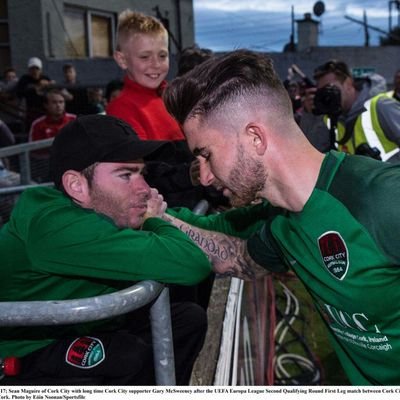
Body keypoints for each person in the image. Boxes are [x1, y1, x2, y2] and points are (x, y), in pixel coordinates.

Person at [163, 49, 400, 385]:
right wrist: (154, 216)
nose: (203, 178)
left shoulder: (382, 198)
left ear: (255, 137)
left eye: (206, 154)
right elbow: (238, 258)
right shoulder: (282, 223)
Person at [0, 114, 260, 385]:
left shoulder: (109, 208)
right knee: (127, 356)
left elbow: (209, 225)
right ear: (77, 185)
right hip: (21, 356)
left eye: (141, 173)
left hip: (73, 329)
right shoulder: (56, 228)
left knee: (185, 320)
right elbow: (191, 263)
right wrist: (156, 220)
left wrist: (277, 201)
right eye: (126, 175)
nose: (145, 189)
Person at [300, 59, 400, 162]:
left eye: (330, 88)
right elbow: (313, 155)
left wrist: (384, 172)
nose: (327, 95)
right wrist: (311, 115)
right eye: (322, 92)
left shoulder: (380, 106)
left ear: (348, 83)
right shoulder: (330, 119)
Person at [16, 57, 55, 132]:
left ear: (40, 70)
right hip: (31, 111)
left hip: (45, 111)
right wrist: (37, 87)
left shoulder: (45, 78)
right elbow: (20, 92)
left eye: (37, 69)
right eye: (32, 69)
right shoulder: (25, 79)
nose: (34, 71)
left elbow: (53, 91)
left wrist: (49, 84)